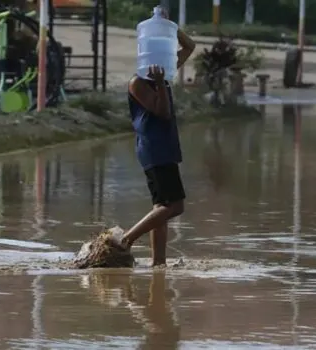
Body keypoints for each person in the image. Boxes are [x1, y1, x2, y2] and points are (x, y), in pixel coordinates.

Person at [113, 7, 196, 267]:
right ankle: (125, 241)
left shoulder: (166, 71)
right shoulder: (138, 82)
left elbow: (190, 46)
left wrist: (169, 27)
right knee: (175, 206)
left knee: (162, 207)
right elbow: (162, 111)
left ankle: (158, 263)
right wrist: (160, 82)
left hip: (164, 147)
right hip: (155, 148)